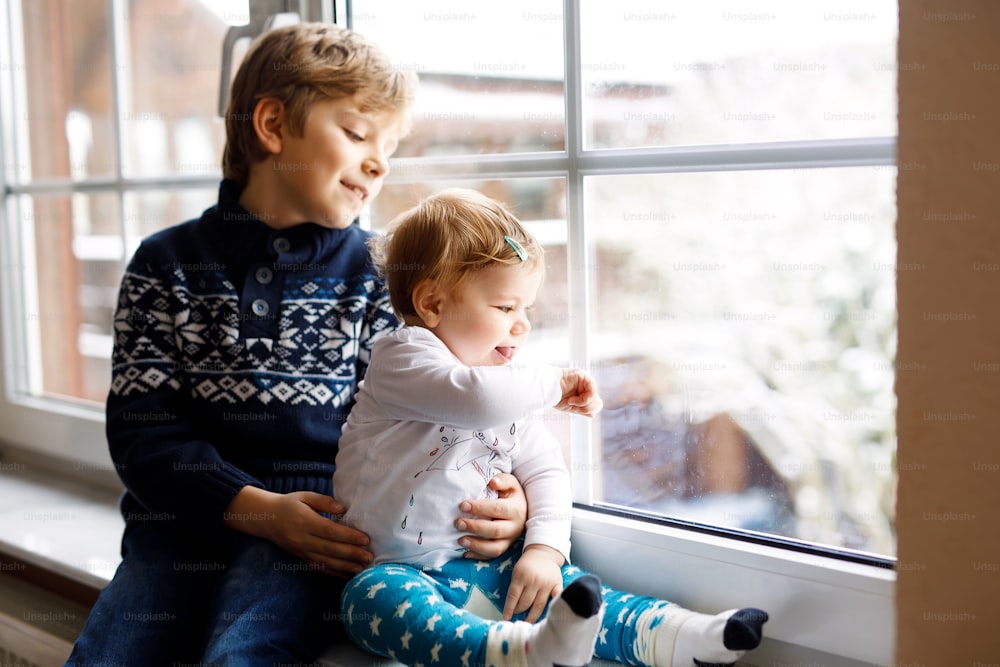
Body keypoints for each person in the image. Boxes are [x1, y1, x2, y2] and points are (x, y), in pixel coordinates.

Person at [63, 24, 529, 667]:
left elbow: (442, 415)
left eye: (388, 147)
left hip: (322, 526)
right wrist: (251, 508)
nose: (379, 162)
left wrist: (510, 496)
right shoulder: (164, 265)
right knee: (109, 656)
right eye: (359, 134)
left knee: (243, 656)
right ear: (273, 125)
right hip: (176, 528)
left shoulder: (381, 279)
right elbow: (143, 438)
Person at [335, 188, 769, 667]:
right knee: (369, 601)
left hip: (487, 567)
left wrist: (544, 550)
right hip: (397, 572)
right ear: (433, 304)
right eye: (505, 308)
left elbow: (545, 470)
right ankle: (513, 653)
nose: (521, 325)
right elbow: (474, 399)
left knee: (568, 594)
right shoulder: (404, 357)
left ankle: (677, 634)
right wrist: (556, 383)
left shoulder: (508, 385)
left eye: (527, 310)